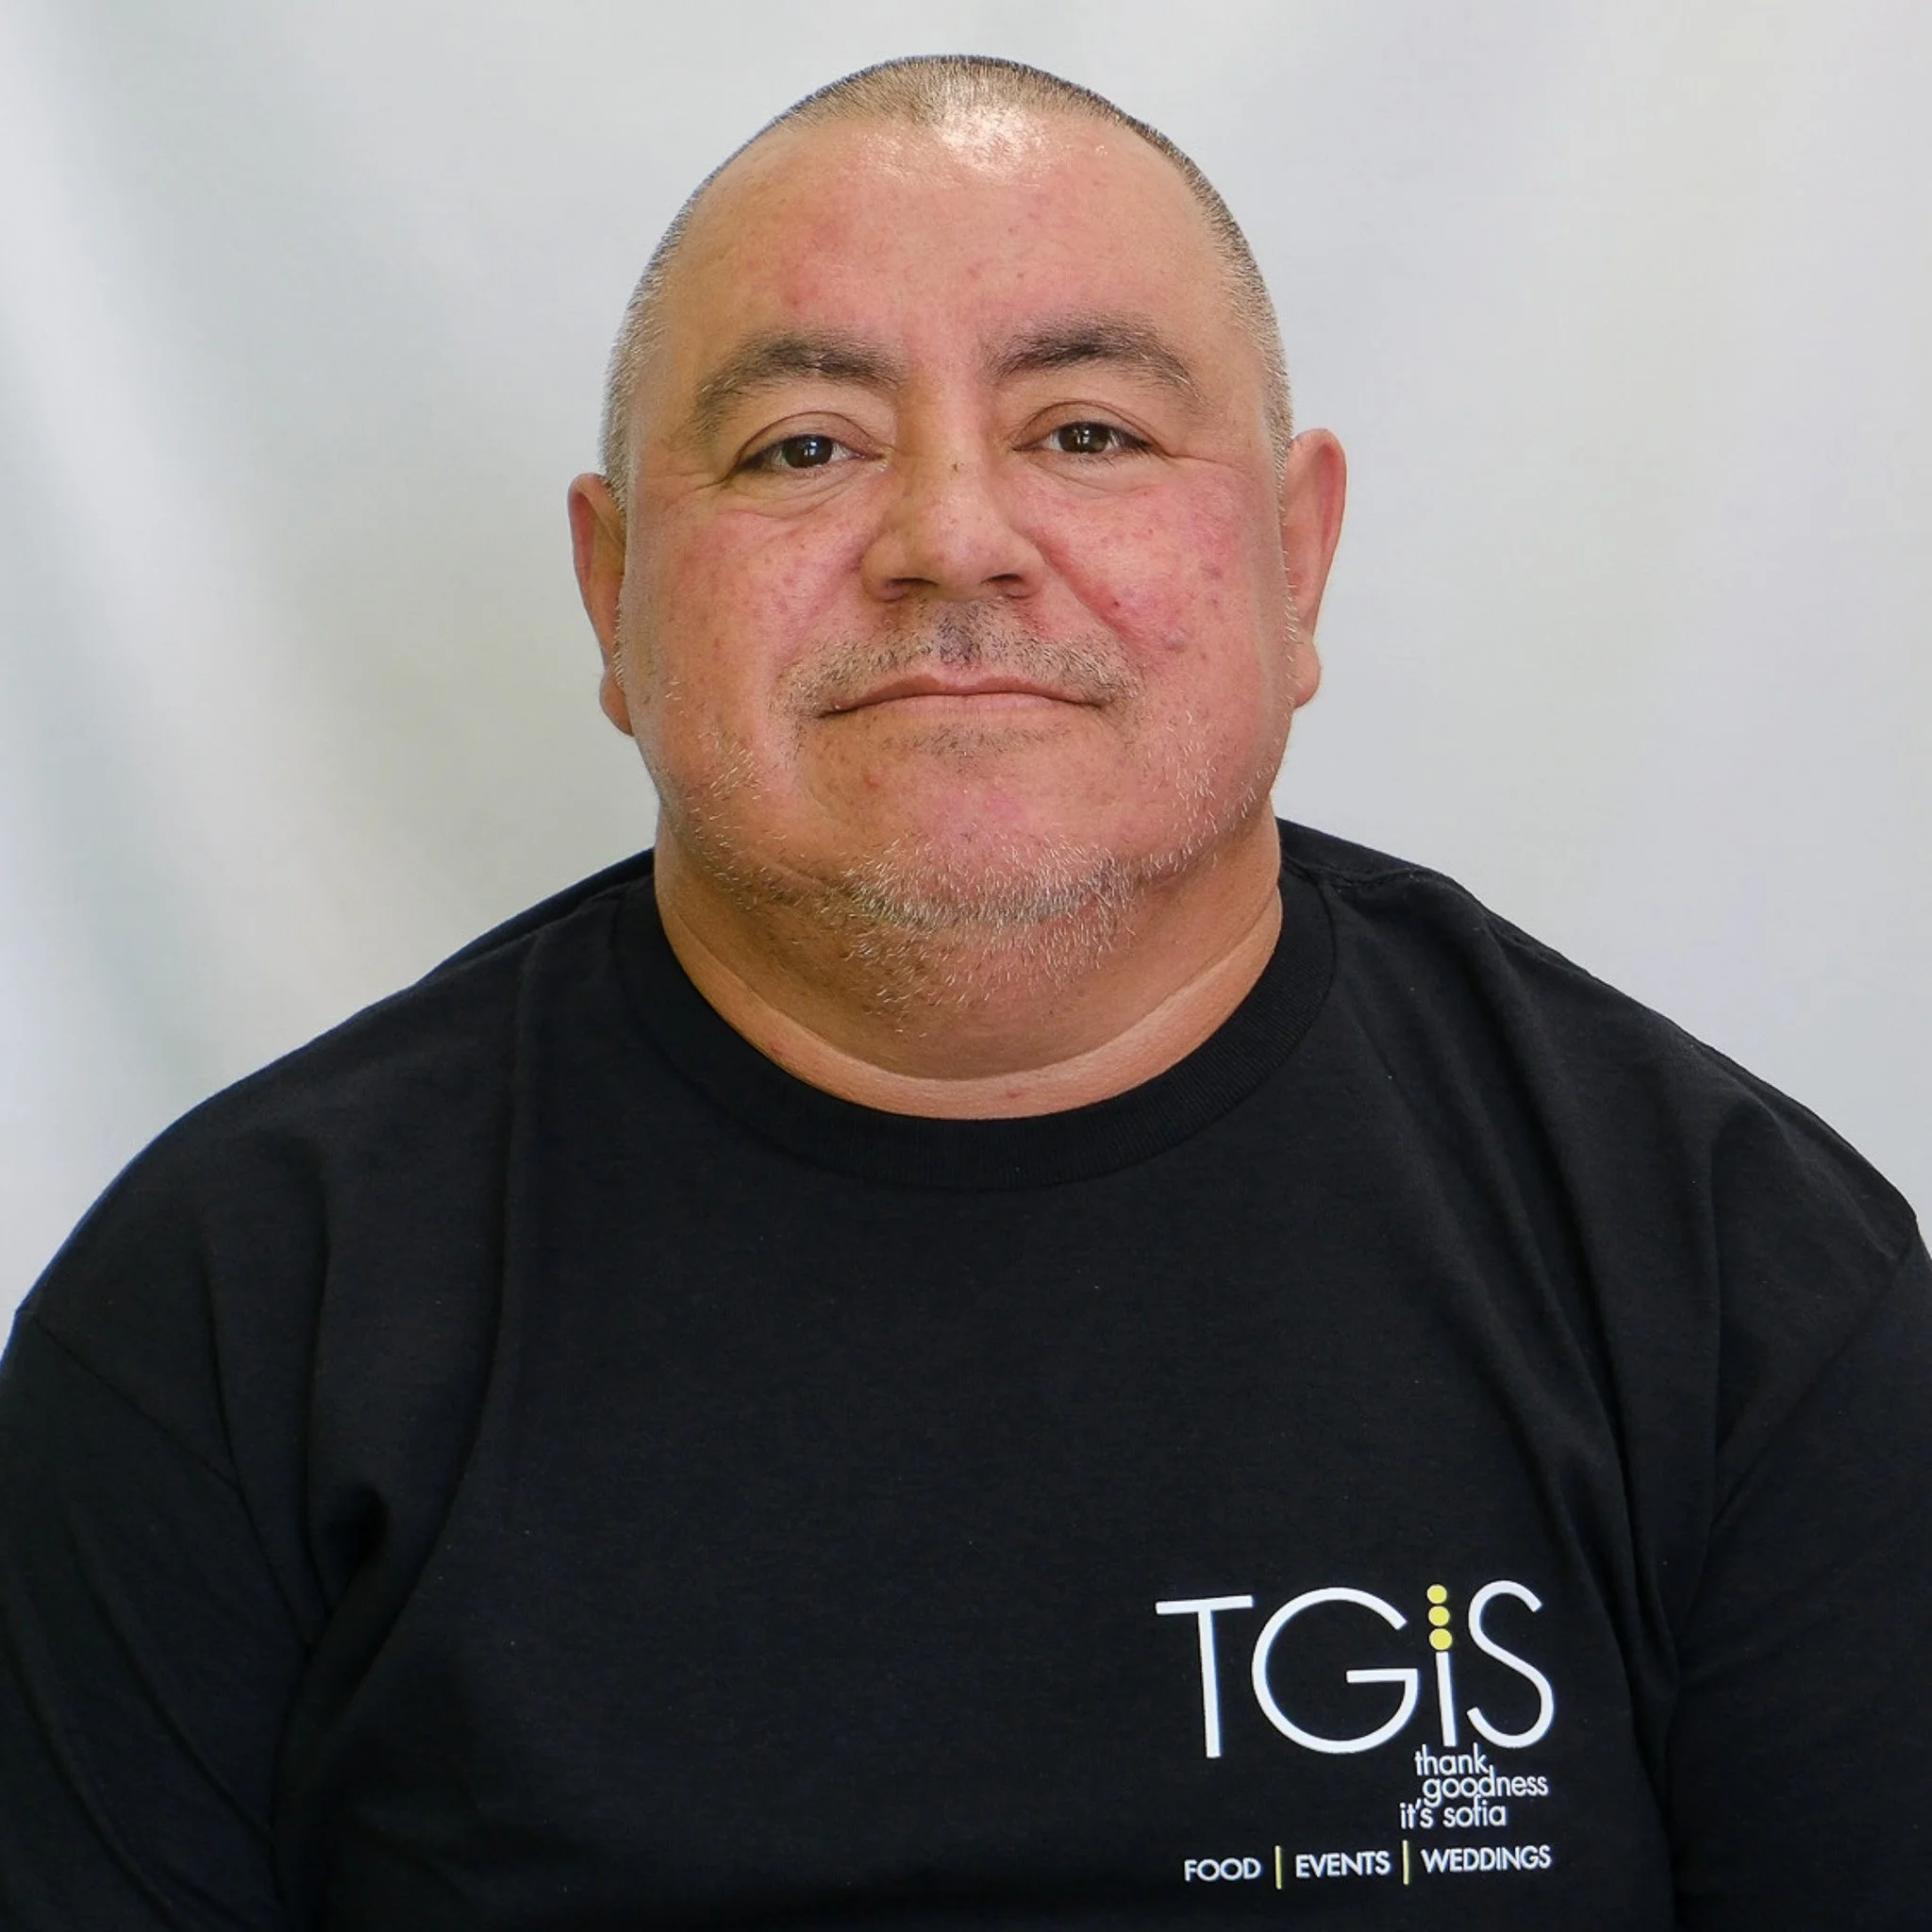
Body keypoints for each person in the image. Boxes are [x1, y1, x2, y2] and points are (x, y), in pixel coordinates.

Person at [1, 53, 1927, 1931]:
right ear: (612, 593)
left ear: (1295, 555)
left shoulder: (1728, 1276)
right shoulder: (230, 1313)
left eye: (1086, 431)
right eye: (803, 447)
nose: (950, 542)